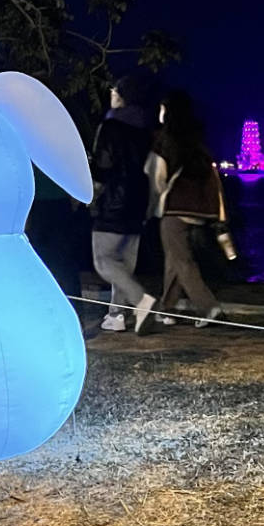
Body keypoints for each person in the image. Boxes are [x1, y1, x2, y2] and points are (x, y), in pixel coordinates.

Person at [147, 91, 227, 330]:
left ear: (168, 112)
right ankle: (167, 308)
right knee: (175, 258)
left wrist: (154, 206)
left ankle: (208, 307)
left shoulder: (164, 139)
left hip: (174, 210)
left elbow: (156, 178)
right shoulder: (197, 141)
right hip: (200, 210)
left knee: (182, 261)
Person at [89, 73, 161, 333]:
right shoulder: (146, 129)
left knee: (104, 260)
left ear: (121, 95)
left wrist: (92, 194)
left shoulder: (111, 125)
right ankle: (116, 315)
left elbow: (103, 165)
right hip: (139, 199)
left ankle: (141, 300)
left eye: (114, 91)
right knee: (124, 263)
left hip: (114, 200)